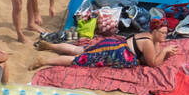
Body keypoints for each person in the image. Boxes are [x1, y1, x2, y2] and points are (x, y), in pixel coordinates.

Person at [34, 18, 176, 68]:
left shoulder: (147, 35)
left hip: (112, 44)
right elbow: (153, 63)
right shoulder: (149, 44)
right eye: (162, 33)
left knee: (81, 50)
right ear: (155, 31)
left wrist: (163, 49)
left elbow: (155, 52)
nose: (165, 36)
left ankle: (51, 46)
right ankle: (45, 61)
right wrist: (164, 51)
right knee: (78, 60)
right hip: (114, 53)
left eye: (166, 33)